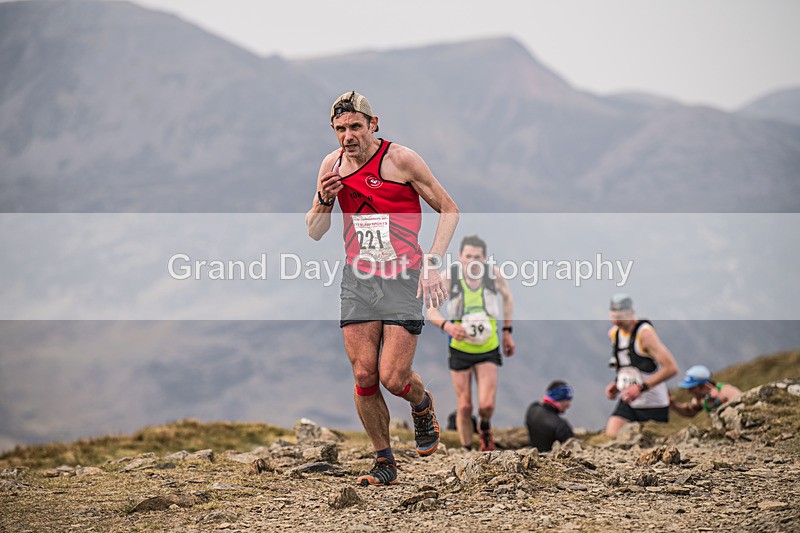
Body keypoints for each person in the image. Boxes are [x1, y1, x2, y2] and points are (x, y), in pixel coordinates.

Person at [306, 91, 459, 486]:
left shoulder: (400, 160)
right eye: (340, 129)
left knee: (393, 378)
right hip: (359, 278)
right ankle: (384, 461)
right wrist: (324, 198)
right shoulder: (331, 166)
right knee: (363, 374)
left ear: (373, 125)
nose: (348, 136)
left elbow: (449, 209)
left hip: (405, 276)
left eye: (355, 126)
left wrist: (434, 263)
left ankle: (421, 404)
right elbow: (315, 231)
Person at [426, 235, 515, 451]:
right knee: (464, 406)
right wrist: (447, 326)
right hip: (460, 349)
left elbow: (508, 300)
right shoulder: (450, 278)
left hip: (488, 347)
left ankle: (484, 427)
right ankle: (467, 451)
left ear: (484, 258)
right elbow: (431, 310)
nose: (472, 260)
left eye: (477, 257)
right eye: (468, 256)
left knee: (486, 405)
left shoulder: (494, 276)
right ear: (460, 256)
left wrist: (506, 332)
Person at [604, 293, 679, 436]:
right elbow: (627, 364)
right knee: (612, 438)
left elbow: (671, 368)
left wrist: (640, 388)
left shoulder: (645, 335)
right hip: (629, 401)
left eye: (620, 318)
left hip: (653, 404)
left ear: (631, 313)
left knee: (648, 450)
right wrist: (616, 384)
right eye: (613, 318)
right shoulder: (614, 334)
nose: (616, 322)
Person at [669, 365, 742, 417]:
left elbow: (743, 407)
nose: (688, 391)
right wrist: (674, 405)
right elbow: (689, 411)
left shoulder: (727, 391)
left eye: (692, 388)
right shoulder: (701, 398)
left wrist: (720, 400)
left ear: (703, 385)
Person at [524, 381, 575, 452]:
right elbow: (572, 450)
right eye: (568, 399)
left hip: (534, 455)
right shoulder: (561, 426)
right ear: (559, 398)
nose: (569, 405)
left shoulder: (533, 409)